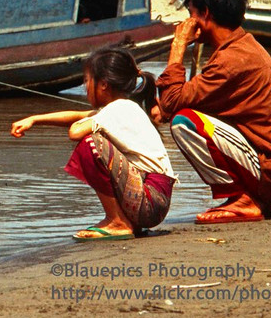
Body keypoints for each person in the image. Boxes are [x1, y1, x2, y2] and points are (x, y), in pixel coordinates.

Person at [155, 0, 271, 224]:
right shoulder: (242, 46)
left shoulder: (231, 59)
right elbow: (189, 99)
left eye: (191, 13)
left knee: (185, 122)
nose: (187, 21)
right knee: (186, 115)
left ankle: (243, 199)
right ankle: (249, 197)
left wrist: (178, 46)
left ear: (205, 15)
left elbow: (173, 102)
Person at [10, 45, 175, 241]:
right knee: (94, 136)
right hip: (152, 202)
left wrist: (90, 123)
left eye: (87, 81)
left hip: (150, 202)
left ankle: (118, 222)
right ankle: (126, 222)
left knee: (91, 143)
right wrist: (34, 119)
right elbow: (77, 116)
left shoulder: (118, 109)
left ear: (104, 84)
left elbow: (75, 131)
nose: (85, 87)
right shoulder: (122, 107)